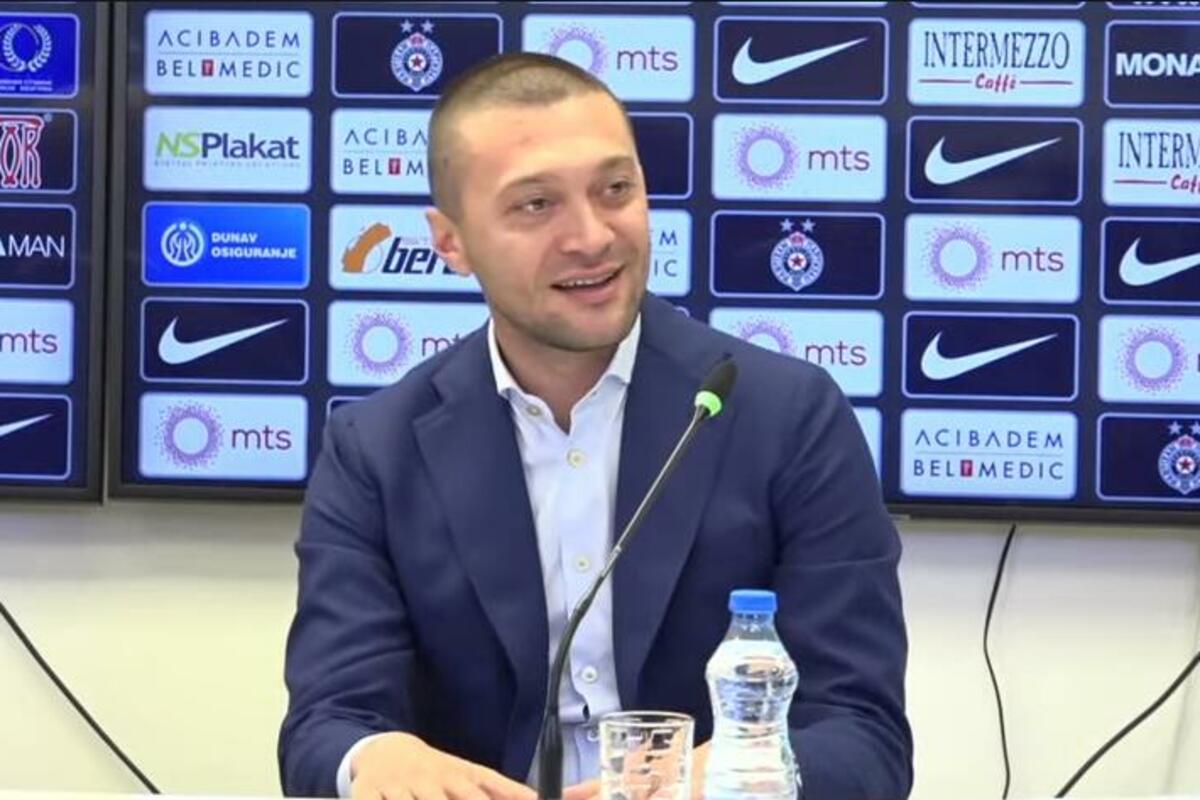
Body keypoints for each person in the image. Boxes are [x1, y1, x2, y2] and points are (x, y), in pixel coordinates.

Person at [279, 52, 912, 800]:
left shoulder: (787, 416)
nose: (591, 237)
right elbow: (328, 724)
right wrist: (377, 757)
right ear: (451, 242)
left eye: (616, 190)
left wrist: (733, 775)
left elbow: (862, 735)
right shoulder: (376, 449)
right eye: (535, 205)